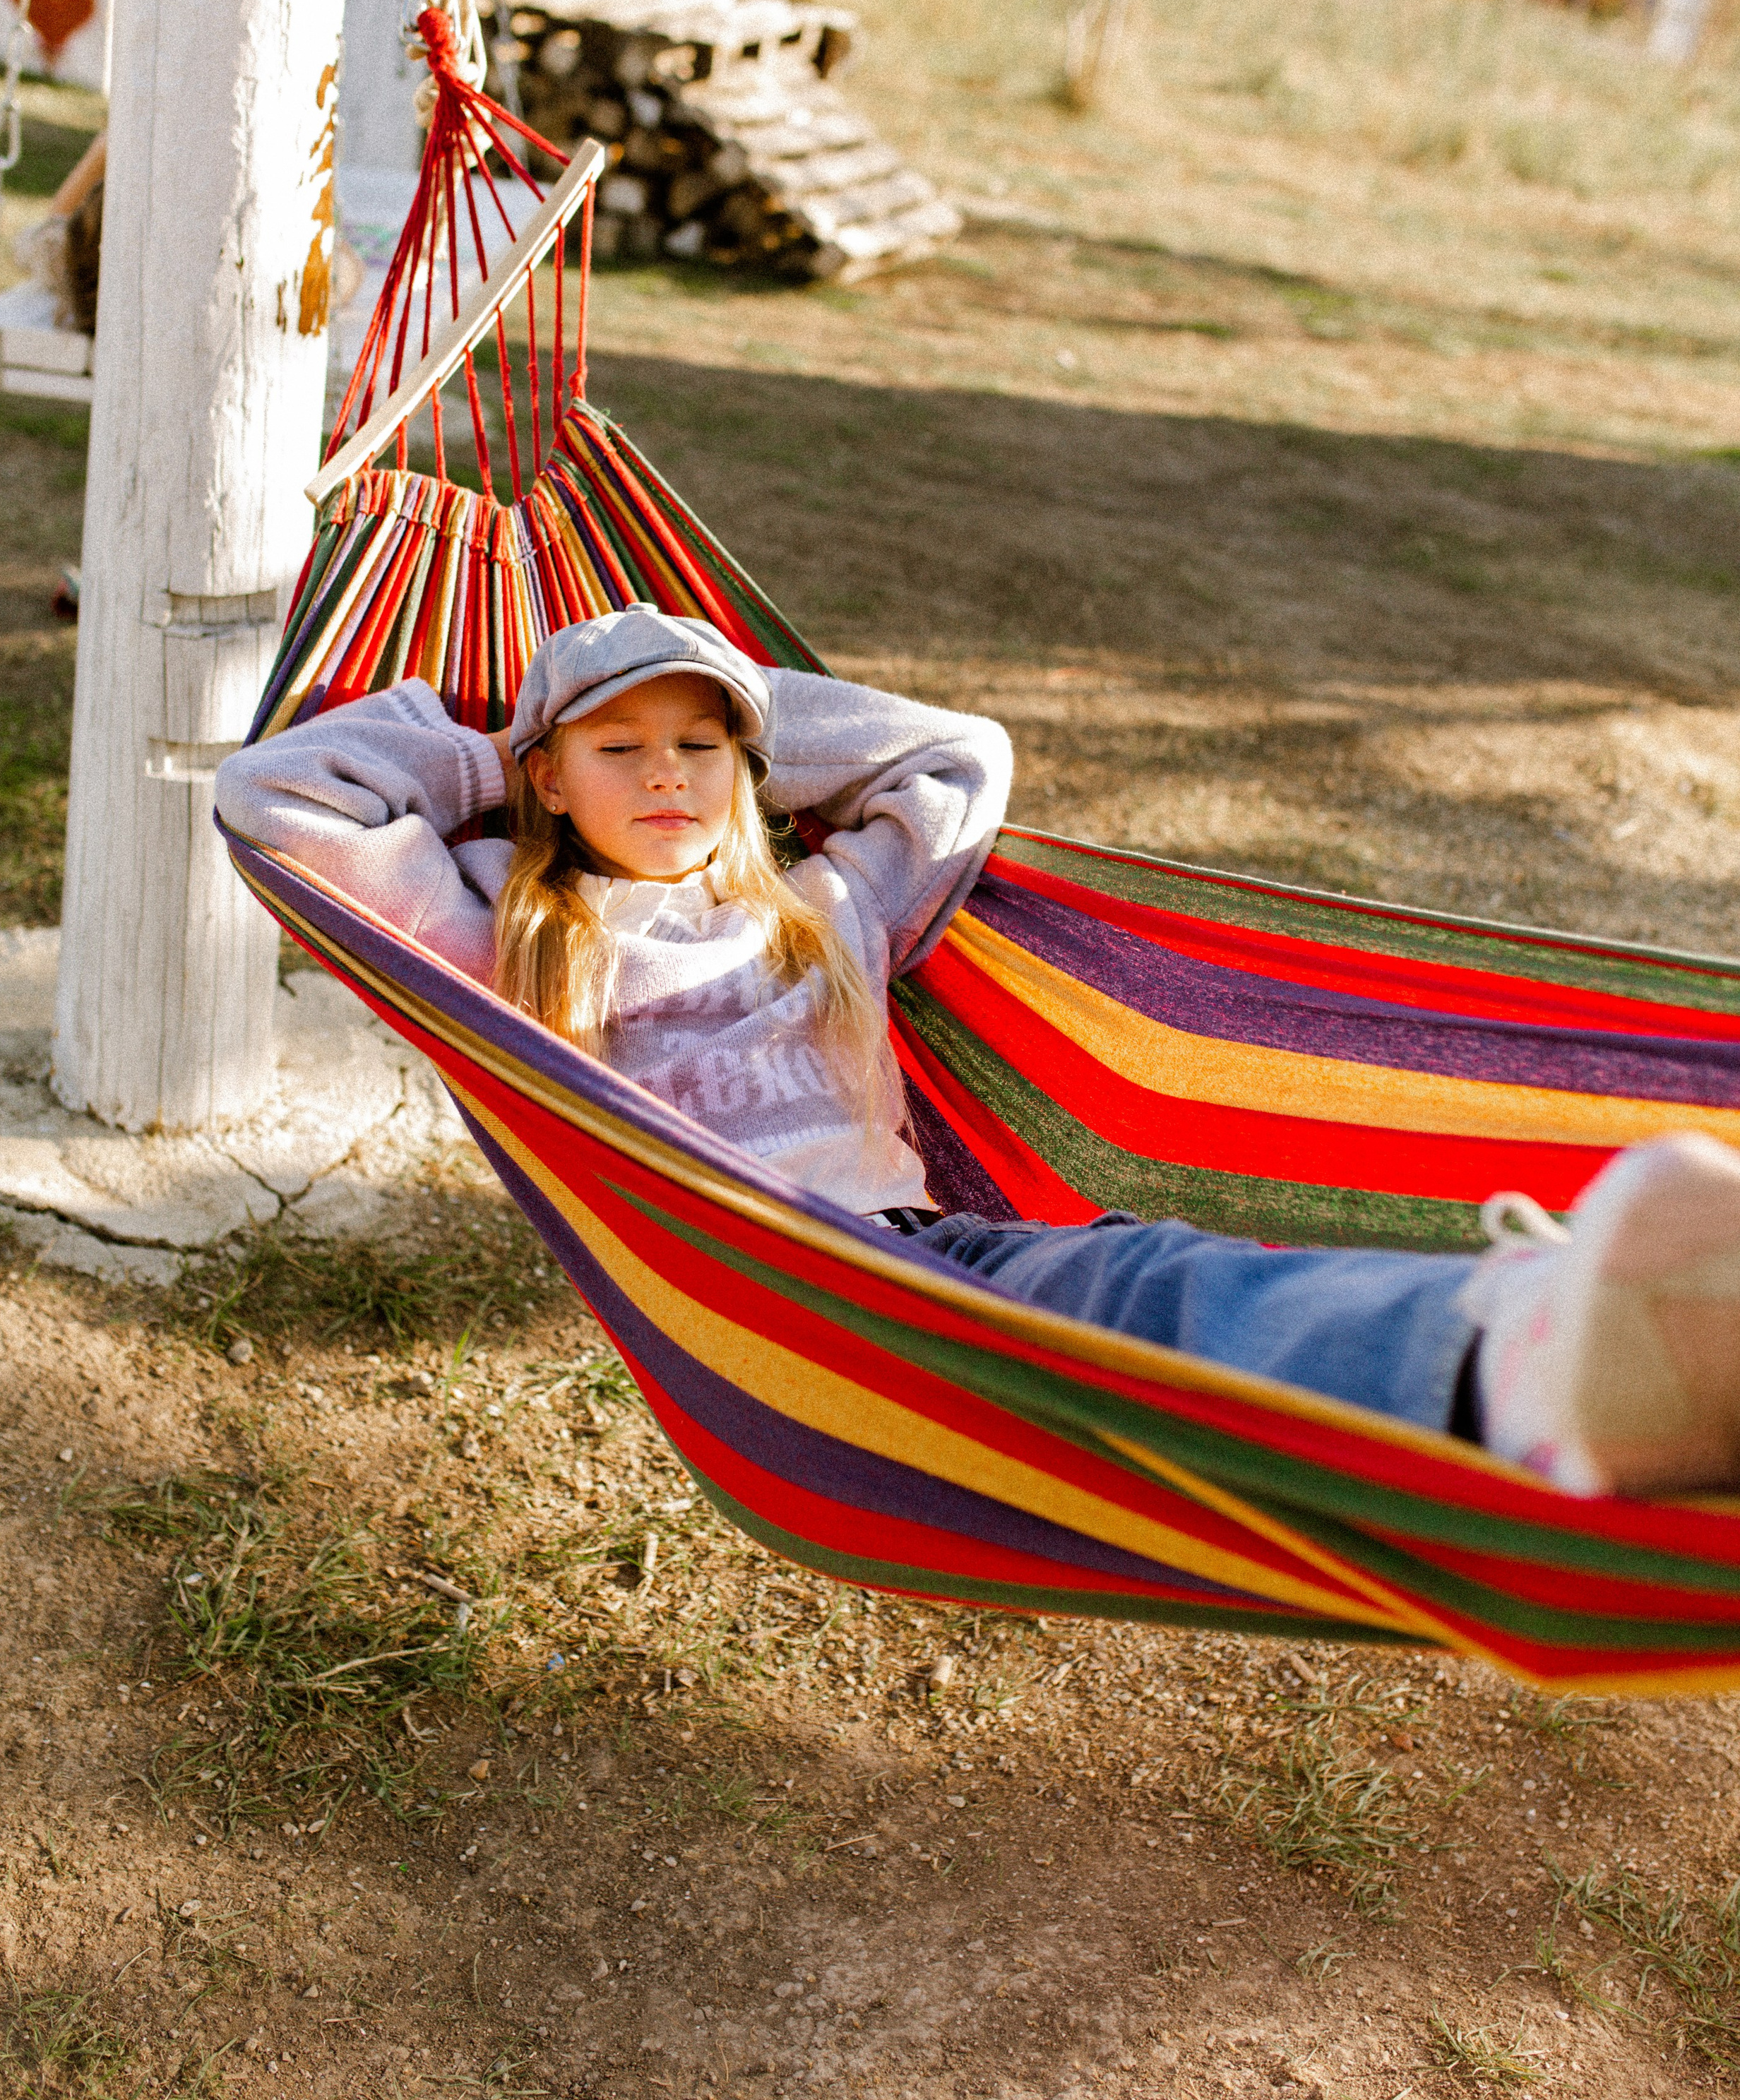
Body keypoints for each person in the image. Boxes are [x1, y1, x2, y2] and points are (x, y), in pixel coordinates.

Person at [217, 606, 1740, 1501]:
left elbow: (957, 759)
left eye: (701, 746)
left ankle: (1534, 1340)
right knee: (1139, 1299)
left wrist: (724, 725)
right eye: (621, 748)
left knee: (1153, 1279)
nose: (665, 773)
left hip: (926, 1258)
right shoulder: (506, 924)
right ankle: (1541, 1355)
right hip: (756, 1286)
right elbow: (281, 802)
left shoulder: (824, 904)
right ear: (549, 778)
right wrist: (504, 752)